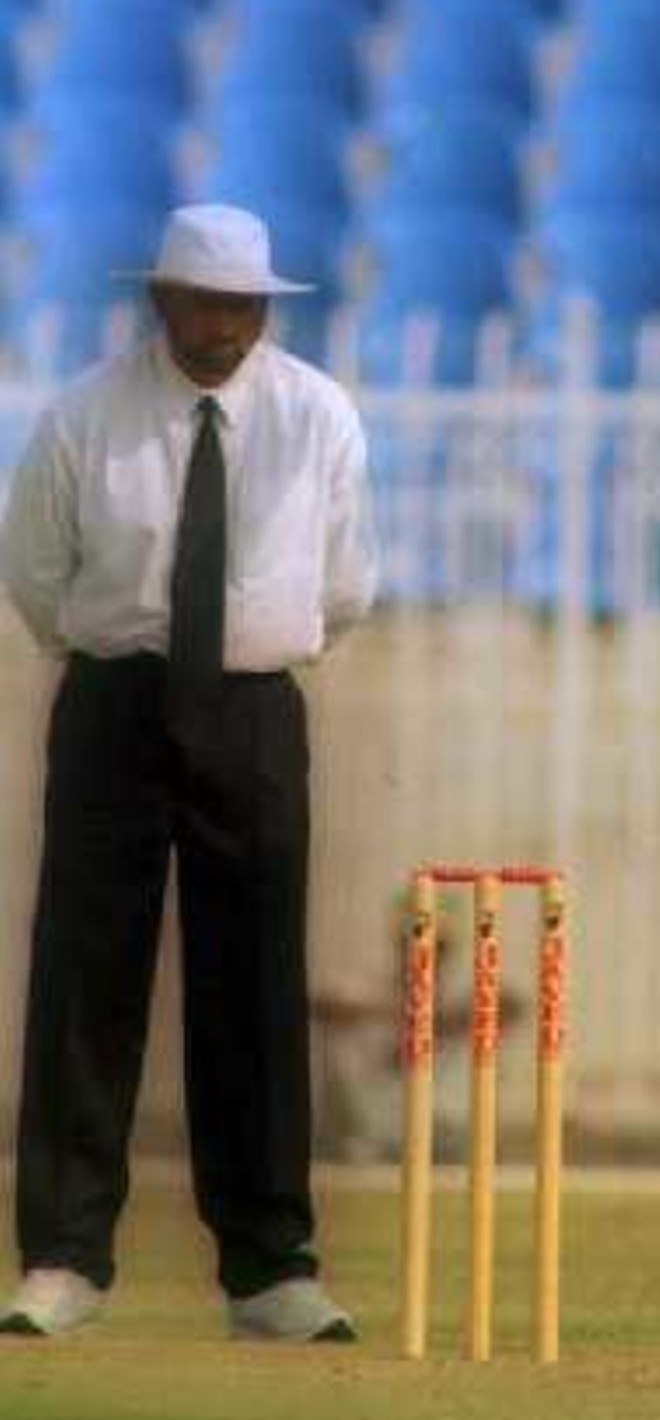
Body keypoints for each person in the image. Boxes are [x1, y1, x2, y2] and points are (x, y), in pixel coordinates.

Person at [0, 204, 378, 1339]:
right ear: (161, 301)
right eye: (207, 303)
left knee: (255, 981)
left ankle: (270, 1270)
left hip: (255, 708)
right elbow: (35, 577)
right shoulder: (87, 418)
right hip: (115, 702)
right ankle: (63, 1260)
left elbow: (346, 585)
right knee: (85, 977)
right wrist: (126, 659)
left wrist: (254, 655)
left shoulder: (317, 416)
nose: (227, 325)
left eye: (245, 305)